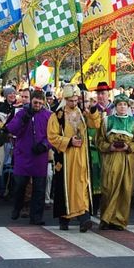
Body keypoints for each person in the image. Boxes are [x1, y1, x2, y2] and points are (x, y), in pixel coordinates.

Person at [95, 94, 134, 230]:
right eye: (119, 105)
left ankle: (119, 221)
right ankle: (106, 219)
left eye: (125, 105)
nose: (122, 107)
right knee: (108, 188)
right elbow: (99, 141)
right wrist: (109, 147)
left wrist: (128, 147)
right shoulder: (106, 121)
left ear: (128, 107)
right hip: (110, 160)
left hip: (127, 160)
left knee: (125, 189)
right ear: (115, 106)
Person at [47, 84, 93, 232]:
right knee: (66, 187)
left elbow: (95, 125)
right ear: (65, 99)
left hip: (82, 157)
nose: (74, 103)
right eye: (71, 100)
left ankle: (84, 218)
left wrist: (92, 113)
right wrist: (69, 141)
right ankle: (64, 219)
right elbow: (52, 136)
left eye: (76, 100)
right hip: (66, 158)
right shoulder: (57, 116)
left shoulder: (83, 114)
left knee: (82, 185)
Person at [6, 90, 52, 225]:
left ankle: (36, 217)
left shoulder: (48, 116)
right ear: (31, 101)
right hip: (23, 156)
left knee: (39, 189)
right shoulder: (21, 113)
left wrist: (45, 145)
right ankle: (17, 207)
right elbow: (12, 129)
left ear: (43, 103)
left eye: (40, 103)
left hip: (39, 156)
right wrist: (24, 119)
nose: (37, 105)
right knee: (20, 185)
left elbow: (53, 135)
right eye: (35, 102)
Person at [84, 81, 114, 216]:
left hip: (111, 149)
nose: (101, 96)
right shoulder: (93, 109)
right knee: (96, 177)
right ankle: (94, 206)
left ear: (108, 94)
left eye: (103, 93)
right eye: (99, 94)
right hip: (95, 148)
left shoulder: (115, 109)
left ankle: (108, 208)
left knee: (109, 178)